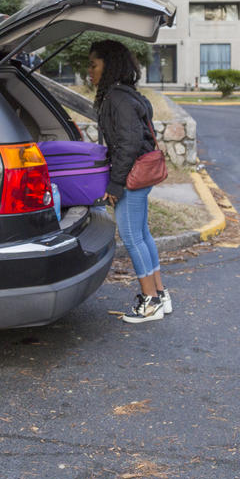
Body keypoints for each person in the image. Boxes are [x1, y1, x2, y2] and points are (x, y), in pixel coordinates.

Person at [88, 39, 172, 324]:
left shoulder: (118, 99)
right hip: (140, 173)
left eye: (93, 64)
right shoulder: (128, 94)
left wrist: (115, 184)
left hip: (132, 176)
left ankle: (149, 302)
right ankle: (160, 294)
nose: (90, 71)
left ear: (108, 65)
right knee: (142, 233)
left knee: (133, 236)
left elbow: (129, 143)